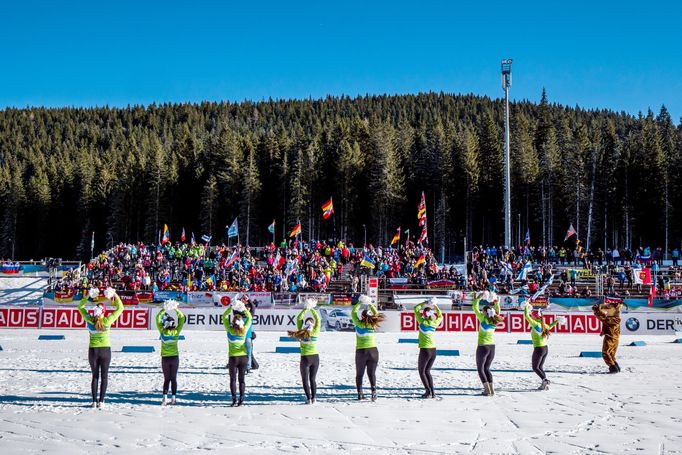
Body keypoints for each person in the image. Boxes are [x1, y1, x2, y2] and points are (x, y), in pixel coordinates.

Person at [77, 287, 124, 408]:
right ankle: (101, 402)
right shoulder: (107, 321)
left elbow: (80, 307)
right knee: (104, 376)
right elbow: (121, 308)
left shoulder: (89, 319)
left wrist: (87, 296)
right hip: (105, 351)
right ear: (104, 312)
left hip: (93, 351)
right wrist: (115, 294)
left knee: (95, 376)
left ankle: (93, 401)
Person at [523, 303, 565, 390]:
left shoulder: (535, 324)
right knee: (540, 367)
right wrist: (557, 320)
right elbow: (551, 325)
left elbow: (526, 316)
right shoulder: (545, 325)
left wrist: (526, 306)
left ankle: (545, 380)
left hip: (538, 349)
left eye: (534, 316)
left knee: (535, 367)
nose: (533, 317)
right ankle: (544, 383)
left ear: (537, 318)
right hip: (545, 349)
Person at [351, 294, 384, 401]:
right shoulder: (372, 324)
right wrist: (369, 303)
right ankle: (374, 393)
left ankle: (360, 394)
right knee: (372, 373)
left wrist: (360, 303)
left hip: (361, 352)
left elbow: (353, 312)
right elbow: (376, 313)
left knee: (359, 374)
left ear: (362, 317)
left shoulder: (358, 324)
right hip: (374, 351)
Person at [288, 299, 321, 404]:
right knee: (313, 379)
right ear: (313, 324)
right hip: (315, 358)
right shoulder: (315, 331)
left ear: (304, 324)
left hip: (305, 358)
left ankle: (308, 399)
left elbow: (299, 318)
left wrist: (305, 309)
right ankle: (314, 398)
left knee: (305, 380)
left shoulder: (301, 331)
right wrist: (312, 309)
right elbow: (318, 320)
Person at [472, 291, 504, 396]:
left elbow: (474, 308)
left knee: (480, 369)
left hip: (482, 347)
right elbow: (498, 311)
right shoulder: (494, 320)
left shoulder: (483, 319)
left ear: (485, 312)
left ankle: (486, 390)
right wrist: (496, 302)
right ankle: (492, 390)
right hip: (492, 348)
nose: (481, 312)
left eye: (483, 311)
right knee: (487, 369)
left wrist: (478, 298)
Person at [155, 300, 186, 405]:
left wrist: (164, 309)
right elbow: (182, 318)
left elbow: (157, 318)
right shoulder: (176, 332)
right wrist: (175, 309)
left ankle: (164, 398)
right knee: (173, 379)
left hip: (165, 358)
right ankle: (173, 398)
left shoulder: (162, 331)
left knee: (166, 379)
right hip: (174, 357)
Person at [223, 298, 253, 406]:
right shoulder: (244, 330)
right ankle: (242, 398)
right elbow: (249, 317)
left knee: (232, 380)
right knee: (242, 380)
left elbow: (224, 317)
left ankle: (234, 398)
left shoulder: (229, 330)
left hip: (233, 358)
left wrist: (231, 307)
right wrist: (243, 308)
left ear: (233, 322)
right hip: (244, 358)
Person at [414, 298, 443, 398]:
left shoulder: (422, 322)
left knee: (422, 371)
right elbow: (441, 316)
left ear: (424, 315)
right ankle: (433, 392)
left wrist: (425, 303)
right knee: (427, 371)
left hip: (425, 350)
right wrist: (435, 306)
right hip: (433, 350)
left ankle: (427, 391)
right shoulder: (434, 323)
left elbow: (415, 309)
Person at [592, 301, 622, 373]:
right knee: (611, 354)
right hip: (614, 339)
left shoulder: (613, 320)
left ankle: (613, 367)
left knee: (605, 353)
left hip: (610, 338)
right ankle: (616, 366)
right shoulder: (616, 318)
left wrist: (596, 310)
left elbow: (603, 317)